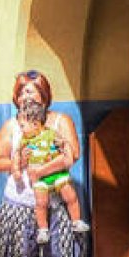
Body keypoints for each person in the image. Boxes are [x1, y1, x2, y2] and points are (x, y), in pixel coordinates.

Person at [0, 69, 86, 257]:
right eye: (22, 91)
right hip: (19, 204)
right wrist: (20, 163)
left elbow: (73, 153)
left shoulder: (59, 122)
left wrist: (46, 166)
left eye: (31, 90)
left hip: (55, 203)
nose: (26, 96)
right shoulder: (12, 127)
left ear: (44, 95)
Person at [11, 98, 91, 244]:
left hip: (57, 174)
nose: (20, 129)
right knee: (41, 203)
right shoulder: (25, 140)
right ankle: (43, 229)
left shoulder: (51, 134)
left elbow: (68, 153)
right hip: (40, 180)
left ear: (35, 124)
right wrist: (17, 168)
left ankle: (76, 221)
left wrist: (62, 144)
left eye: (22, 126)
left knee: (70, 196)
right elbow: (17, 154)